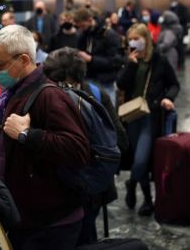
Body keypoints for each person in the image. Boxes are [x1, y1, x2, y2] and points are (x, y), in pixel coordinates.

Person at [0, 25, 90, 249]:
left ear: (23, 59)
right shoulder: (12, 93)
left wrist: (27, 135)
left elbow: (78, 149)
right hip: (25, 217)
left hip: (52, 223)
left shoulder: (49, 95)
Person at [42, 47, 128, 245]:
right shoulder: (96, 94)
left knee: (81, 237)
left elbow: (121, 141)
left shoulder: (90, 97)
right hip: (86, 186)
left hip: (79, 187)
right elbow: (120, 140)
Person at [118, 24, 179, 217]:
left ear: (146, 38)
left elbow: (174, 84)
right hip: (132, 116)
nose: (134, 42)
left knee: (142, 160)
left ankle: (133, 183)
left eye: (138, 38)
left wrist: (168, 98)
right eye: (131, 38)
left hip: (151, 116)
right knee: (138, 158)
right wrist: (130, 64)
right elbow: (121, 84)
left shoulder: (159, 59)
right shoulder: (129, 60)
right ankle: (147, 199)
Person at [74, 7, 123, 105]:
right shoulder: (83, 35)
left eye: (83, 26)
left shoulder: (109, 35)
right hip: (88, 80)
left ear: (90, 20)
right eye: (80, 27)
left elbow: (115, 61)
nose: (81, 29)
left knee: (108, 114)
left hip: (105, 82)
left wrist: (91, 59)